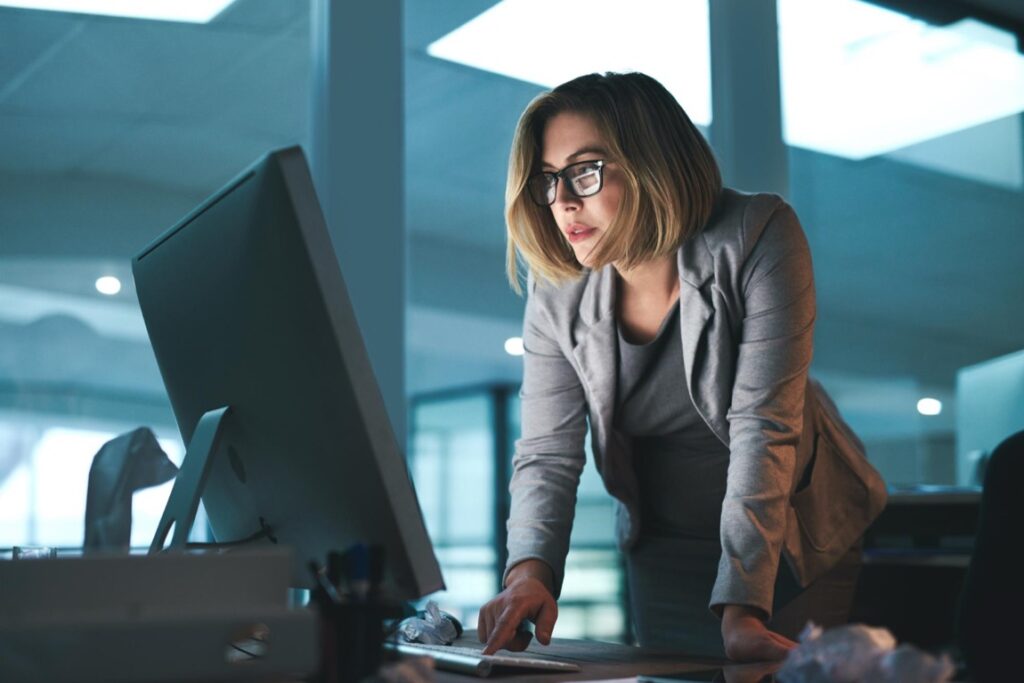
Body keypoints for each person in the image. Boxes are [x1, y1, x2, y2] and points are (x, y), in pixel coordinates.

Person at [476, 72, 888, 662]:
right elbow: (547, 453)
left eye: (585, 170)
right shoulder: (557, 292)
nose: (563, 200)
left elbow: (763, 429)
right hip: (661, 540)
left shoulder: (756, 235)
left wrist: (744, 608)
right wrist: (528, 576)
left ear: (652, 164)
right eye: (548, 180)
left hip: (792, 537)